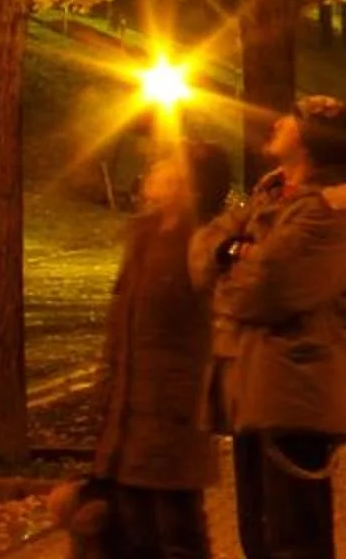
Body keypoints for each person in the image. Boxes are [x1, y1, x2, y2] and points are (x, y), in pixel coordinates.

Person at [198, 98, 346, 559]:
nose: (278, 122)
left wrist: (231, 263)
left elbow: (266, 291)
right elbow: (203, 248)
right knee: (258, 536)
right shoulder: (270, 195)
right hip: (251, 385)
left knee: (294, 540)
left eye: (292, 117)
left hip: (294, 388)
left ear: (311, 140)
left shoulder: (329, 213)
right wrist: (236, 256)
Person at [93, 139, 235, 559]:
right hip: (129, 406)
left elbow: (216, 321)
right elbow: (123, 323)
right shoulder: (144, 235)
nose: (154, 168)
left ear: (188, 184)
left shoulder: (203, 244)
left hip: (174, 408)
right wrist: (108, 382)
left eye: (166, 163)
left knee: (176, 528)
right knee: (133, 528)